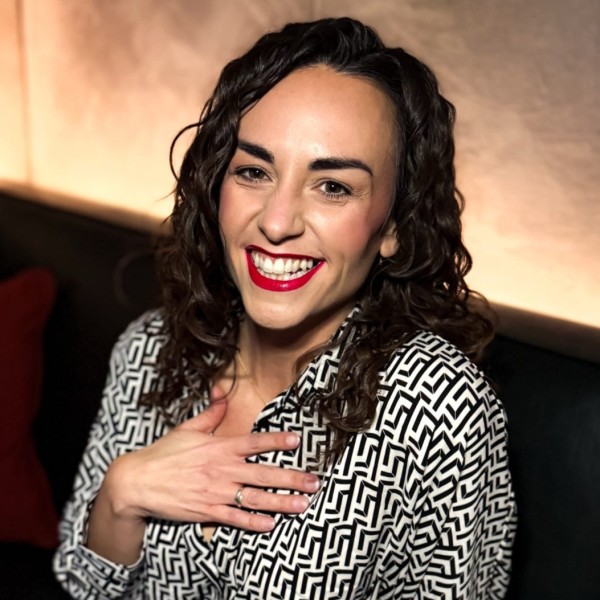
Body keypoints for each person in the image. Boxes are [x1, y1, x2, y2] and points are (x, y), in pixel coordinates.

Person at [54, 17, 516, 599]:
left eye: (333, 186)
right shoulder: (150, 349)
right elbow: (81, 585)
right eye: (254, 172)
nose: (276, 223)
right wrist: (122, 494)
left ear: (393, 227)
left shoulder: (436, 405)